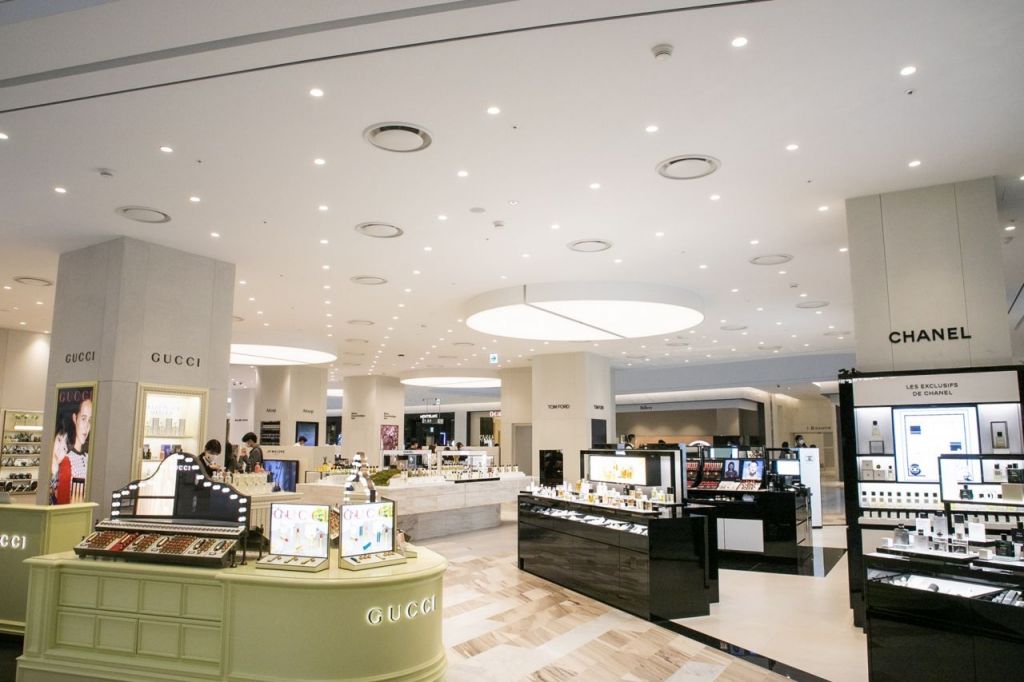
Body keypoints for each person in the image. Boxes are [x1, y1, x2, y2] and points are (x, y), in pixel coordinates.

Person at [50, 396, 92, 505]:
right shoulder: (66, 461)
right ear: (75, 418)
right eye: (83, 419)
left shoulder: (88, 458)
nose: (87, 426)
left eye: (90, 420)